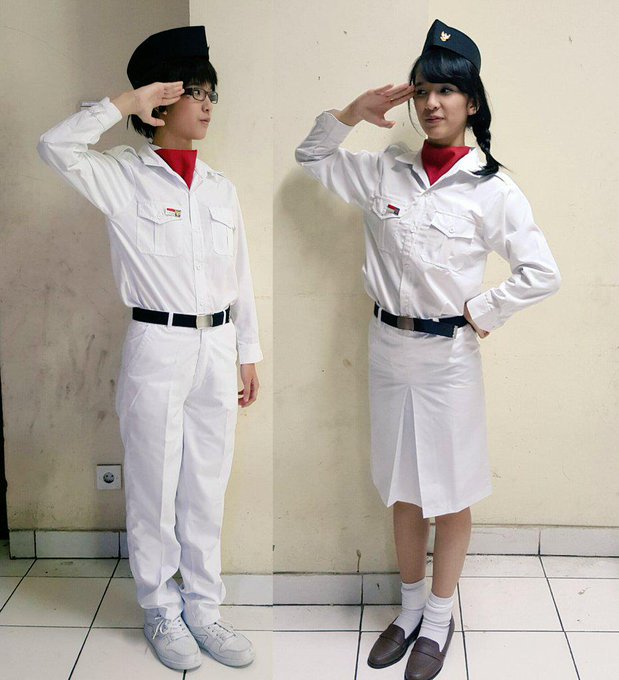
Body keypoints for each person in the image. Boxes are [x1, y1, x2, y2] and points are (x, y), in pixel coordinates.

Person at [295, 19, 560, 680]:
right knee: (402, 487)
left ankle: (438, 620)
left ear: (471, 102)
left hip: (447, 359)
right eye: (422, 91)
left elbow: (541, 272)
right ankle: (409, 609)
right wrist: (350, 113)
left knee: (451, 489)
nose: (431, 103)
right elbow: (311, 157)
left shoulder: (491, 188)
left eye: (446, 90)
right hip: (388, 348)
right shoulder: (383, 171)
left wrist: (483, 310)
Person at [38, 26, 262, 672]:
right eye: (195, 92)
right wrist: (123, 103)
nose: (208, 104)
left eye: (212, 93)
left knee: (206, 483)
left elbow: (240, 274)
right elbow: (53, 146)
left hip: (217, 345)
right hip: (157, 343)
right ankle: (160, 607)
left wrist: (248, 351)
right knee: (154, 482)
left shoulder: (220, 188)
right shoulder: (122, 178)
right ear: (161, 101)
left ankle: (204, 607)